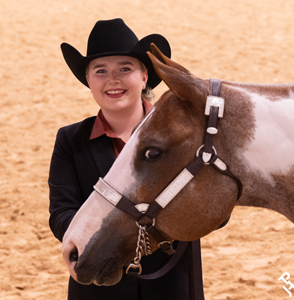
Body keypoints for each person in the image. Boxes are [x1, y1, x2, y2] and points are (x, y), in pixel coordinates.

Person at [48, 18, 195, 300]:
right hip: (98, 285)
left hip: (172, 283)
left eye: (124, 69)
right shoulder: (70, 140)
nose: (113, 80)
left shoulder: (181, 134)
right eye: (100, 71)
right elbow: (61, 214)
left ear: (144, 77)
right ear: (88, 80)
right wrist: (100, 237)